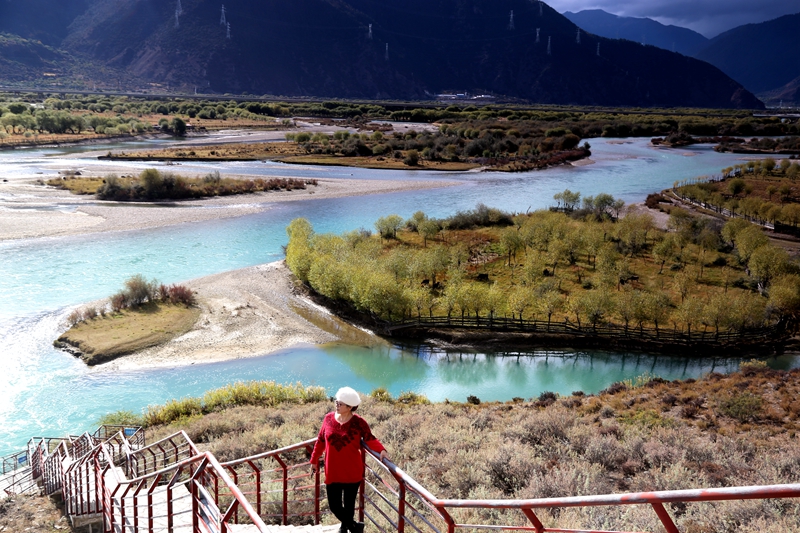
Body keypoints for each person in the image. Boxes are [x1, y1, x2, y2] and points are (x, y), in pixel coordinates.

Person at [310, 387, 388, 533]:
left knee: (349, 505)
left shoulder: (359, 422)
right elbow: (320, 440)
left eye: (341, 403)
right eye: (337, 402)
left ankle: (344, 527)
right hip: (332, 471)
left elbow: (370, 438)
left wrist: (382, 450)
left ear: (350, 407)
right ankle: (354, 527)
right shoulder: (328, 418)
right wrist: (314, 459)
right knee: (334, 506)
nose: (337, 405)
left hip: (352, 471)